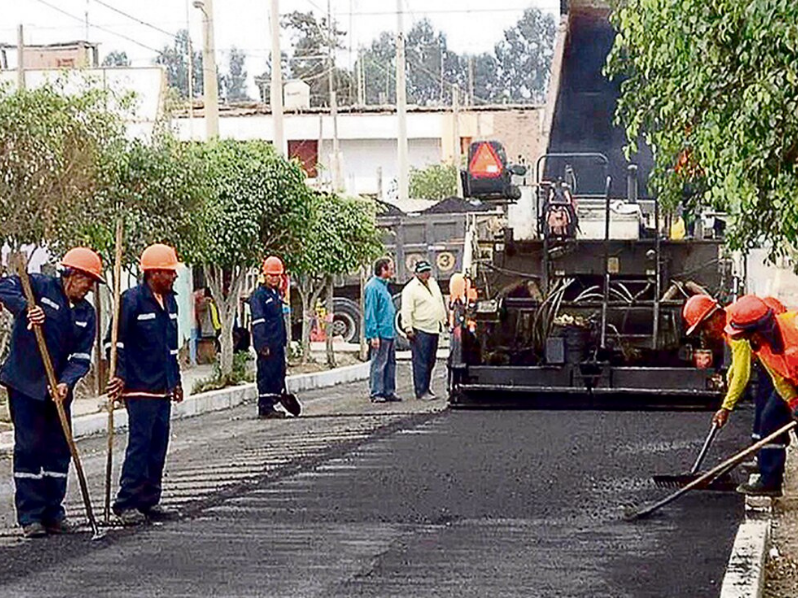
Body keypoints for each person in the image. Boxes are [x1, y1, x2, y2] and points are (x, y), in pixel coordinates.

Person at [0, 247, 104, 537]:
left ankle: (53, 513)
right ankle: (30, 516)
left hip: (58, 391)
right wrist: (25, 307)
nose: (89, 287)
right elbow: (4, 287)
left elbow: (81, 358)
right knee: (30, 448)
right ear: (72, 275)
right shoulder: (39, 286)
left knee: (59, 449)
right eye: (88, 280)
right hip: (25, 385)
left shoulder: (86, 314)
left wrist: (65, 383)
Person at [107, 243, 184, 525]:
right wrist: (119, 375)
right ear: (153, 273)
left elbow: (171, 348)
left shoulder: (171, 302)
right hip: (139, 388)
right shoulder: (131, 301)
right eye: (169, 272)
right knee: (140, 445)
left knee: (158, 446)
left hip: (163, 388)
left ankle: (149, 500)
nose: (174, 276)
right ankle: (126, 502)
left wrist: (175, 380)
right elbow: (114, 342)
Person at [683, 294, 787, 490]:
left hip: (782, 359)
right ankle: (763, 458)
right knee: (765, 409)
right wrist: (730, 376)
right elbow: (739, 364)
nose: (706, 333)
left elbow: (742, 374)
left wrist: (726, 407)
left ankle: (770, 478)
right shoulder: (730, 323)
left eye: (705, 327)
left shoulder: (738, 325)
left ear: (715, 315)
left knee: (771, 417)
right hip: (774, 357)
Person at [722, 294, 798, 497]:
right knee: (770, 419)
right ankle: (770, 481)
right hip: (794, 383)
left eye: (749, 335)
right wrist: (793, 402)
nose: (749, 341)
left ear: (763, 328)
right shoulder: (762, 347)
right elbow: (779, 379)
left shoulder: (795, 328)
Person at [249, 256, 289, 419]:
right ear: (264, 275)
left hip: (277, 343)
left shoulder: (276, 294)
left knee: (278, 372)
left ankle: (275, 399)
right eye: (271, 275)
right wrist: (262, 344)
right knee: (266, 373)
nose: (274, 278)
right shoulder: (259, 296)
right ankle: (265, 406)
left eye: (277, 275)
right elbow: (258, 322)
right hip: (267, 344)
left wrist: (284, 340)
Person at [401, 260, 447, 400]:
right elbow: (406, 310)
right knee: (421, 361)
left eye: (427, 271)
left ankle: (427, 387)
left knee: (431, 361)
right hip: (421, 329)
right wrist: (408, 328)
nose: (426, 274)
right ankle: (421, 390)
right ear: (416, 273)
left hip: (434, 328)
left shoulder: (433, 283)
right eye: (423, 272)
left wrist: (444, 319)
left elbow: (439, 302)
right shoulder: (410, 289)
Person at [365, 257, 400, 402]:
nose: (393, 271)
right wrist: (373, 335)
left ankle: (388, 391)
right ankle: (376, 392)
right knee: (379, 363)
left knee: (390, 363)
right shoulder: (373, 287)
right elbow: (370, 312)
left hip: (389, 332)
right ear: (383, 269)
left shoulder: (383, 286)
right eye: (391, 268)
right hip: (380, 333)